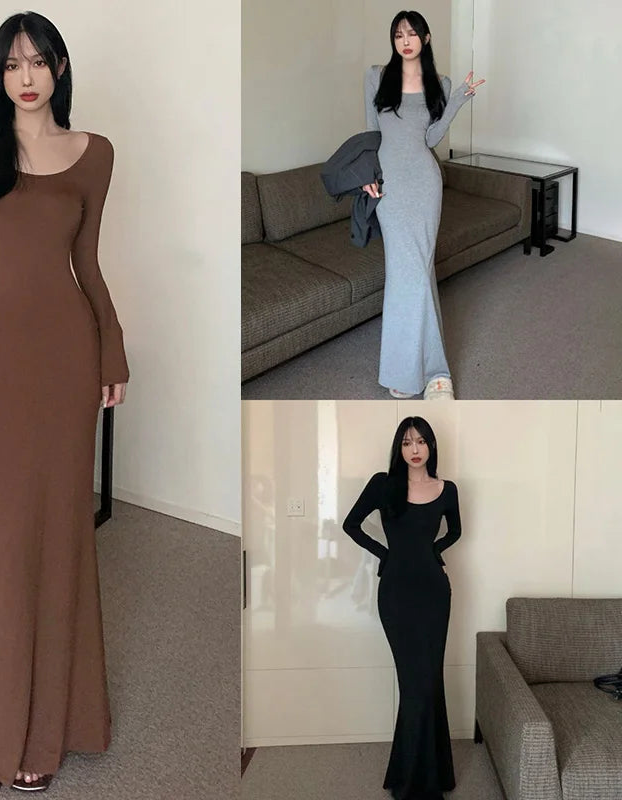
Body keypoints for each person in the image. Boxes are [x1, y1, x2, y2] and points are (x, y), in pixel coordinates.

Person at [0, 11, 130, 792]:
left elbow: (88, 262)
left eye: (39, 61)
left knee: (64, 533)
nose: (26, 76)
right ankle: (1, 730)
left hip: (69, 359)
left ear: (59, 70)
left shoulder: (95, 153)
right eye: (13, 63)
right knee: (13, 536)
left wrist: (113, 349)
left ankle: (53, 729)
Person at [362, 10, 485, 400]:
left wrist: (457, 101)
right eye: (398, 34)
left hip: (425, 185)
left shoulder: (440, 83)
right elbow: (371, 134)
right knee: (409, 274)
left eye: (412, 33)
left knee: (416, 272)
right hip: (389, 189)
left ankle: (425, 372)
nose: (405, 40)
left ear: (426, 38)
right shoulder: (377, 77)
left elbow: (430, 138)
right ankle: (435, 373)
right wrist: (368, 175)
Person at [342, 416, 461, 800]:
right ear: (399, 448)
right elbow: (351, 524)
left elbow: (455, 531)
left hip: (435, 594)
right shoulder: (383, 484)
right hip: (396, 594)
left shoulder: (447, 489)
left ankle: (434, 775)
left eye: (421, 441)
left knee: (430, 682)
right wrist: (386, 555)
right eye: (407, 442)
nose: (415, 449)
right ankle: (412, 784)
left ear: (431, 446)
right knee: (415, 687)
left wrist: (434, 552)